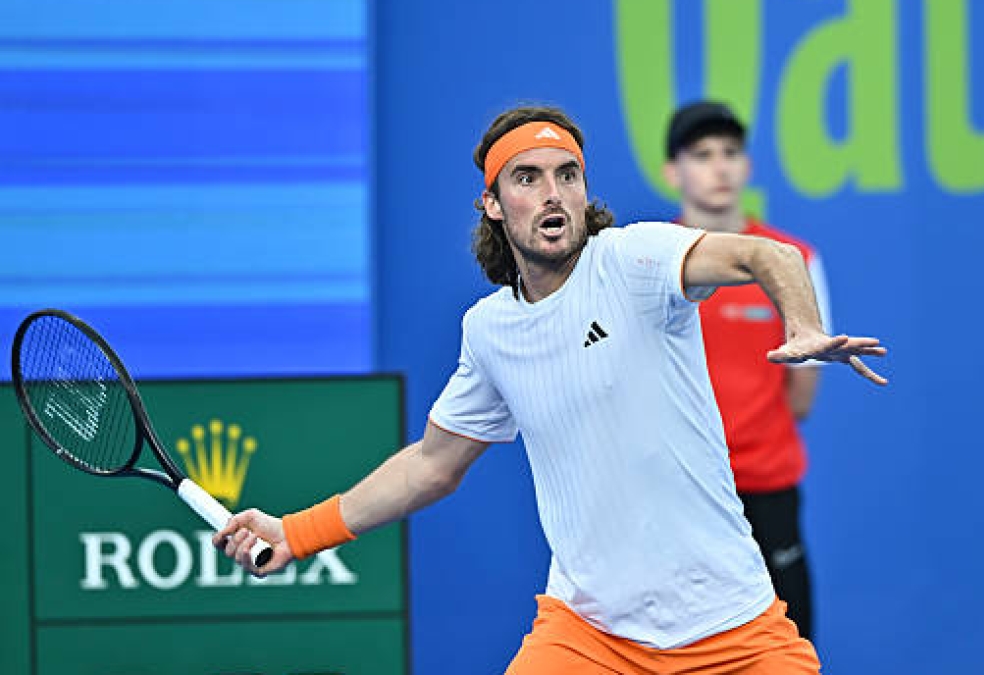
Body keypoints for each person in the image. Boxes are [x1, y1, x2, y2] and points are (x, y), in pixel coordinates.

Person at [214, 105, 886, 674]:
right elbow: (432, 465)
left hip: (733, 628)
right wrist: (297, 532)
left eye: (567, 175)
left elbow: (766, 254)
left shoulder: (634, 260)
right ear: (494, 203)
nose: (552, 192)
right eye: (527, 178)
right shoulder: (490, 330)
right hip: (589, 636)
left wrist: (802, 324)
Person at [663, 100, 845, 639]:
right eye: (701, 154)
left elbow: (801, 398)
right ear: (674, 172)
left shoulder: (794, 259)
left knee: (787, 651)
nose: (719, 166)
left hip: (768, 491)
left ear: (747, 167)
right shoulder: (647, 262)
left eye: (730, 153)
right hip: (678, 495)